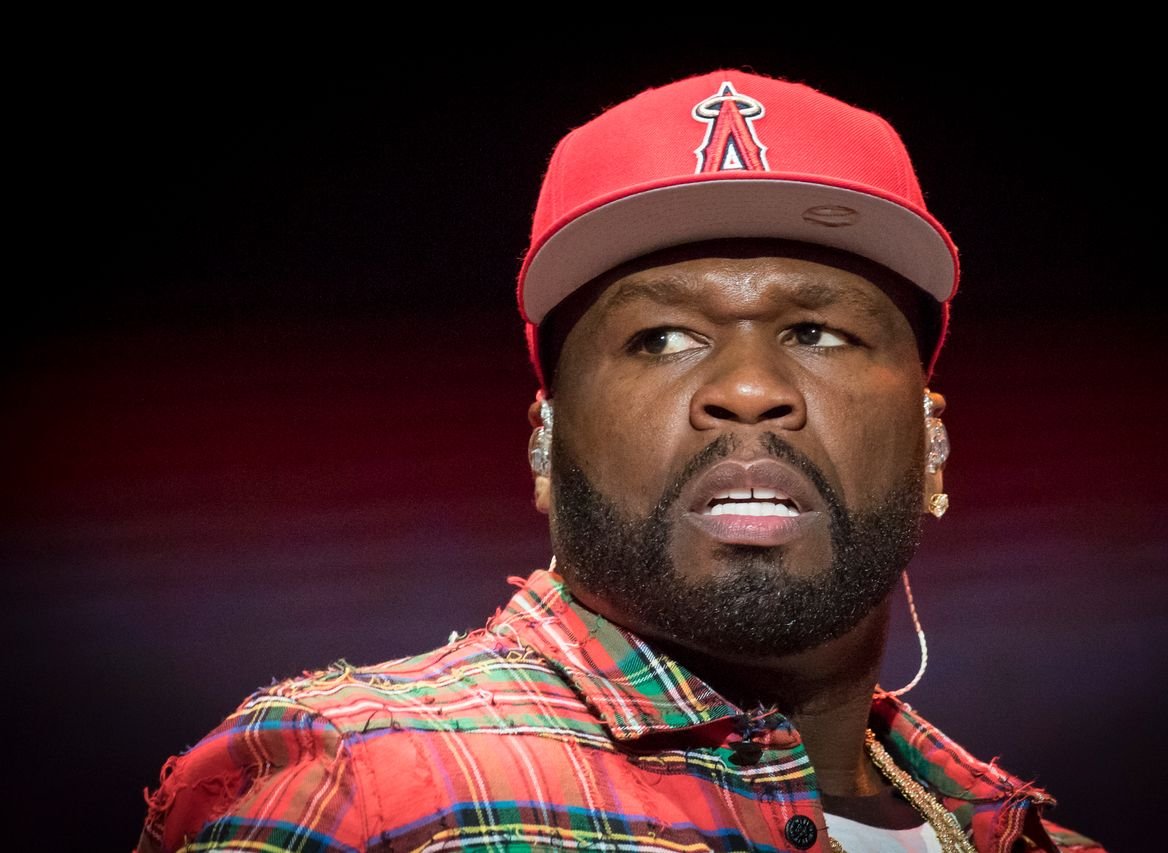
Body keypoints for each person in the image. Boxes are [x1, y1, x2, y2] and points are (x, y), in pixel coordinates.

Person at [137, 70, 1105, 853]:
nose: (746, 386)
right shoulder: (368, 786)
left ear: (932, 448)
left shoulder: (1030, 838)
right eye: (661, 339)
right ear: (542, 445)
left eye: (816, 331)